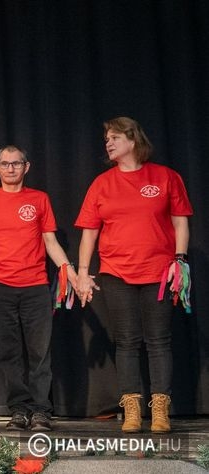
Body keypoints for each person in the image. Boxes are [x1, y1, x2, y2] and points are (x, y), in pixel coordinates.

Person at [75, 117, 192, 434]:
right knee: (126, 341)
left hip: (159, 271)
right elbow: (89, 233)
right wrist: (83, 273)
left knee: (159, 341)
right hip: (116, 272)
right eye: (106, 139)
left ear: (133, 139)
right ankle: (131, 410)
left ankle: (160, 411)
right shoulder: (102, 184)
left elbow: (180, 221)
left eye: (114, 137)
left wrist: (180, 260)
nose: (108, 143)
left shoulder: (165, 177)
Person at [0, 145, 79, 432]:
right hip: (0, 286)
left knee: (39, 352)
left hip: (36, 286)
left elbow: (51, 242)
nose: (10, 168)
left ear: (26, 167)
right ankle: (19, 409)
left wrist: (71, 273)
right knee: (9, 352)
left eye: (16, 163)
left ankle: (41, 411)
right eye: (4, 164)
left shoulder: (39, 199)